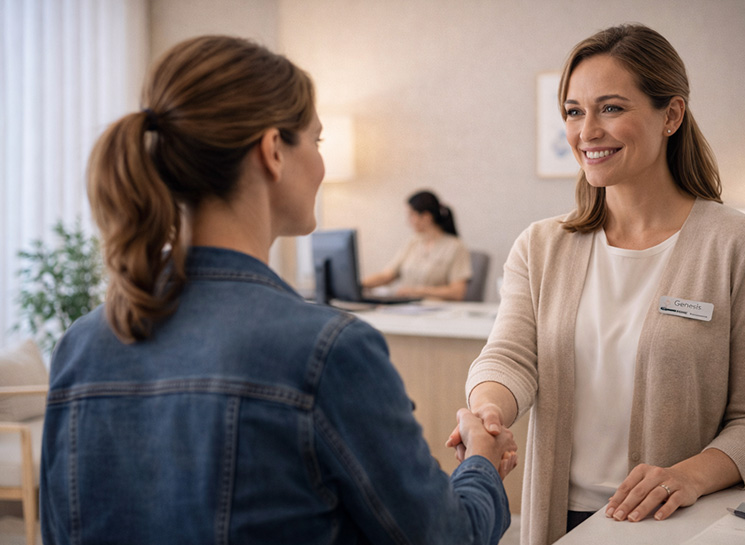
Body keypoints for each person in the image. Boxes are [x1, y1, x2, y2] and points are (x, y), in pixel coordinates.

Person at [39, 35, 520, 545]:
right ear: (273, 151)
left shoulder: (81, 344)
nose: (321, 164)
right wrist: (482, 467)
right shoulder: (329, 351)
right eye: (317, 141)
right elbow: (446, 539)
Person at [447, 23, 745, 545]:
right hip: (555, 522)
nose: (587, 131)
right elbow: (510, 357)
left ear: (671, 115)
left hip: (672, 524)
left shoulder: (740, 245)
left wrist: (686, 476)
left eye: (611, 108)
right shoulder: (541, 246)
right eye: (573, 111)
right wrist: (490, 412)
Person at [362, 190, 472, 301]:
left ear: (426, 217)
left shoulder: (456, 246)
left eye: (411, 215)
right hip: (407, 308)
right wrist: (358, 284)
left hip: (437, 311)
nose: (408, 221)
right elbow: (387, 276)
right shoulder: (413, 242)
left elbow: (457, 292)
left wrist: (415, 291)